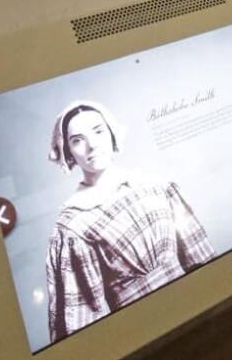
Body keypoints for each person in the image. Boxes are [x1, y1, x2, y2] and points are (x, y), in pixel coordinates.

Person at [45, 100, 214, 341]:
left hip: (201, 317)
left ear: (111, 133)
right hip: (143, 338)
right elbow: (88, 323)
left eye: (98, 131)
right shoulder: (74, 225)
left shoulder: (155, 186)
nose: (92, 144)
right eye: (77, 140)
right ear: (68, 152)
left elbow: (202, 260)